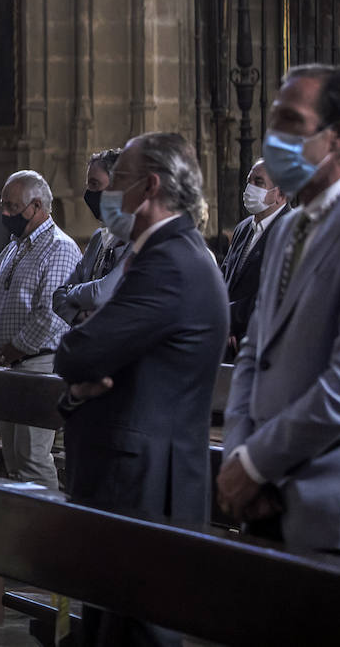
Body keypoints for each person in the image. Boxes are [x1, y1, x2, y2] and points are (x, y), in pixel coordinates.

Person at [54, 132, 228, 647]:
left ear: (149, 187)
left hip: (148, 487)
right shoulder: (156, 254)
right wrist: (79, 394)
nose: (110, 194)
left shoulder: (169, 263)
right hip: (130, 481)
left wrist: (80, 375)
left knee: (137, 637)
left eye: (119, 181)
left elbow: (76, 352)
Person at [220, 65, 340, 557]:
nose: (274, 137)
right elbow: (255, 350)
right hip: (261, 496)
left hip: (331, 497)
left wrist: (255, 463)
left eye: (289, 123)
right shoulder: (288, 226)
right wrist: (237, 452)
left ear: (339, 135)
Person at [0, 171, 81, 489]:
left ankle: (48, 534)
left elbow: (51, 314)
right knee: (12, 458)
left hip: (39, 363)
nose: (4, 213)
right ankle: (17, 531)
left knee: (33, 458)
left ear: (36, 206)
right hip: (7, 364)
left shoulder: (59, 248)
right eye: (3, 205)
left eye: (11, 207)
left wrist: (12, 349)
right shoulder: (13, 248)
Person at [52, 149, 132, 326]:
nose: (89, 193)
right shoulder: (98, 238)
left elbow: (101, 294)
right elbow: (58, 296)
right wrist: (79, 316)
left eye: (95, 184)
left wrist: (72, 292)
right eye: (88, 185)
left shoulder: (137, 238)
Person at [219, 159, 286, 357]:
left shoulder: (288, 232)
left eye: (259, 182)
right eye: (249, 181)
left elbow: (273, 295)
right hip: (227, 340)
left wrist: (228, 318)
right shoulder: (243, 228)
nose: (250, 188)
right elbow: (225, 278)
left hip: (259, 342)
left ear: (280, 193)